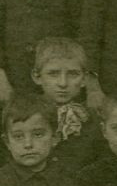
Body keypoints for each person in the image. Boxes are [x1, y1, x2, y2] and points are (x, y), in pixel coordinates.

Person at [31, 36, 99, 171]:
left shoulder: (92, 120)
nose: (63, 83)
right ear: (37, 77)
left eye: (73, 74)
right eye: (53, 74)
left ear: (84, 78)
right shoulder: (27, 116)